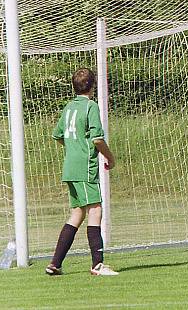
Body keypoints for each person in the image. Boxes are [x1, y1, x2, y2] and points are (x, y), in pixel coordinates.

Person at [45, 68, 118, 276]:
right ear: (93, 86)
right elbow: (97, 139)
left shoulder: (69, 107)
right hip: (85, 167)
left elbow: (58, 135)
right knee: (95, 210)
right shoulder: (90, 106)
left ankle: (55, 264)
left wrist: (73, 148)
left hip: (70, 166)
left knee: (77, 213)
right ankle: (98, 265)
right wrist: (110, 158)